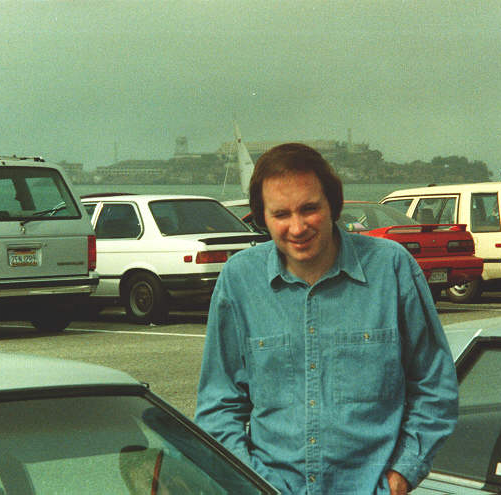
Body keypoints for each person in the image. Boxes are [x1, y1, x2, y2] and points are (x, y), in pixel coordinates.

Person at [194, 143, 458, 495]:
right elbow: (218, 406)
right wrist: (252, 485)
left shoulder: (391, 267)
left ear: (333, 204)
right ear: (262, 218)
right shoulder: (239, 280)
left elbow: (434, 386)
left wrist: (400, 477)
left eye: (309, 209)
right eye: (281, 214)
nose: (297, 227)